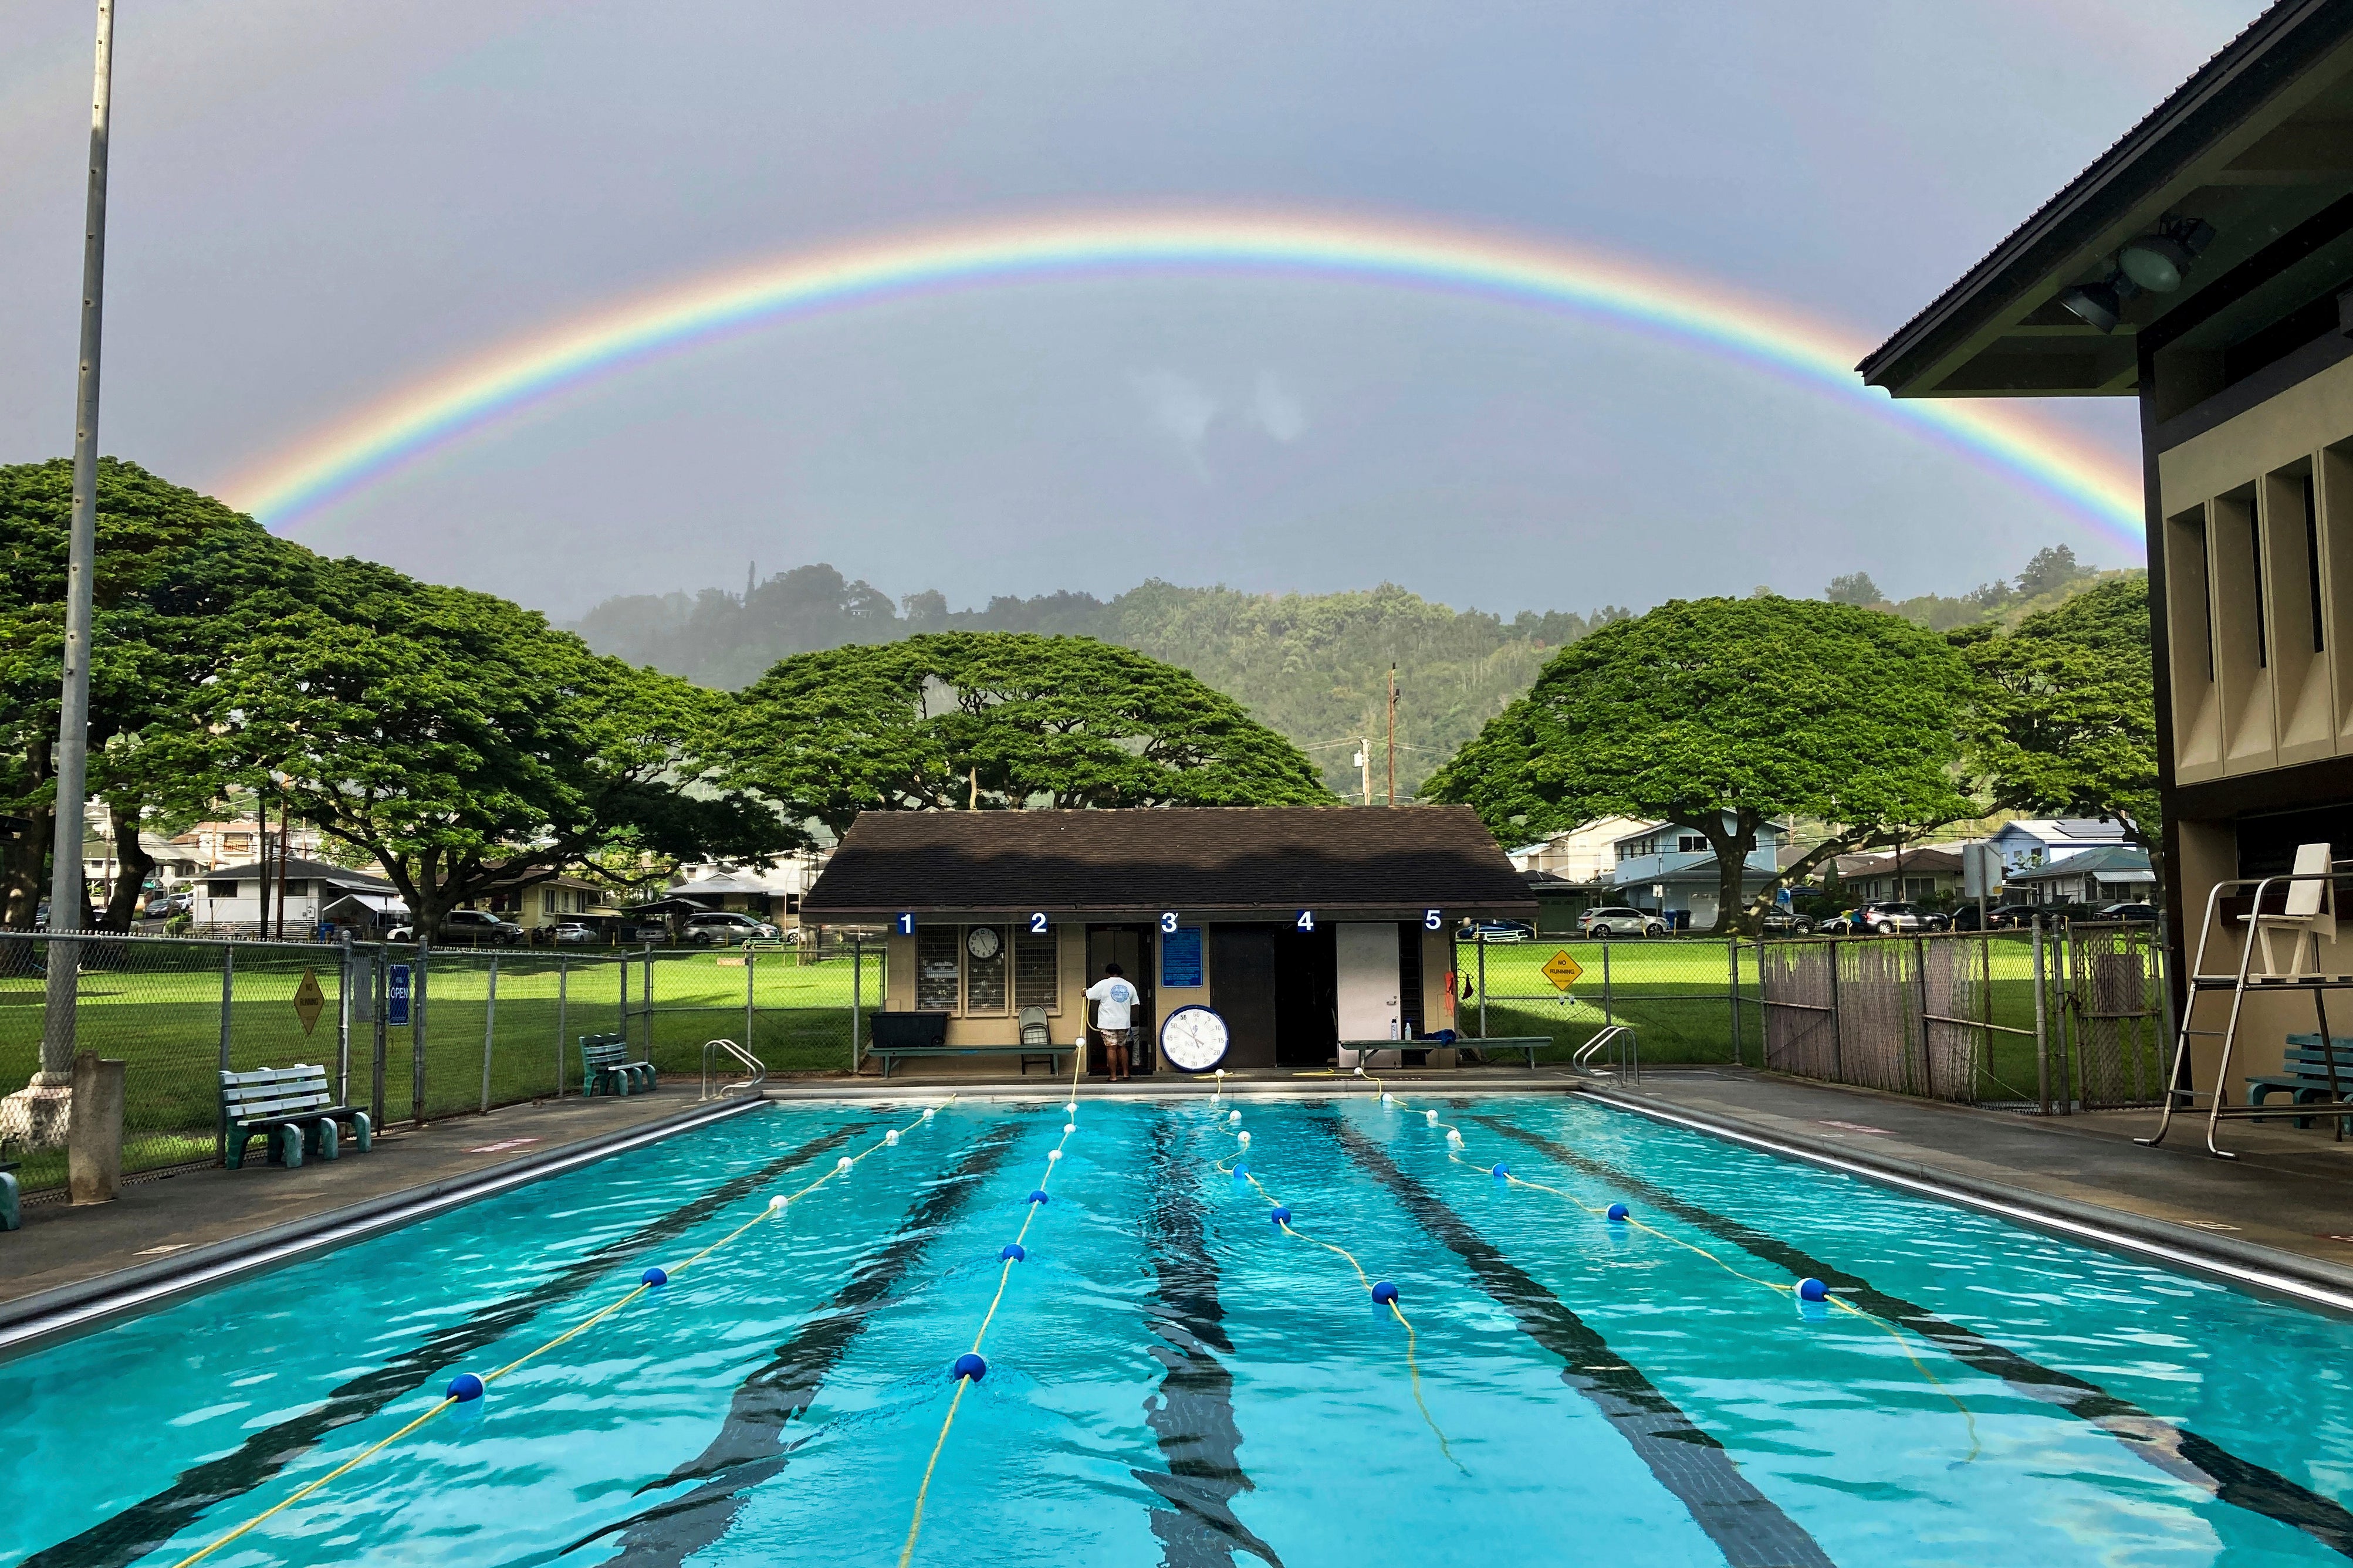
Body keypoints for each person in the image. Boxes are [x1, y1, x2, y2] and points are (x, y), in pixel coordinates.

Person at [1085, 962, 1141, 1081]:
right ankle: (1126, 1074)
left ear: (1108, 973)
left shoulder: (1104, 984)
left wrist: (1083, 992)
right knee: (1122, 1046)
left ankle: (1113, 1076)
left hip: (1107, 1023)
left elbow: (1089, 994)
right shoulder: (1129, 985)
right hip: (1124, 1022)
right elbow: (1135, 1004)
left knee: (1111, 1048)